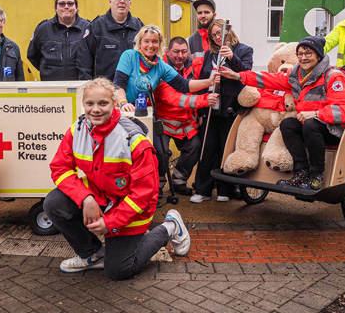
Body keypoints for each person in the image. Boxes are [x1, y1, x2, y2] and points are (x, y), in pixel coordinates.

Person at [43, 78, 191, 280]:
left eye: (103, 103)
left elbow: (144, 194)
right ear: (83, 104)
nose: (95, 110)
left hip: (132, 208)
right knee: (53, 203)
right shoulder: (76, 131)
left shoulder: (134, 140)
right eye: (90, 104)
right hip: (99, 197)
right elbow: (60, 168)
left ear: (114, 104)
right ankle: (92, 254)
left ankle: (170, 227)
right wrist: (86, 198)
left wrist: (110, 222)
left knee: (119, 271)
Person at [219, 36, 345, 191]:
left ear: (318, 55)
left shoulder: (334, 77)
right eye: (300, 54)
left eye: (308, 53)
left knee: (310, 125)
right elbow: (269, 79)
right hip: (310, 125)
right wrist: (239, 76)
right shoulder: (296, 76)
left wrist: (316, 113)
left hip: (333, 128)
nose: (303, 58)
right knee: (288, 124)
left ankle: (317, 173)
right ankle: (301, 170)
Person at [191, 18, 253, 203]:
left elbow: (247, 75)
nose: (218, 37)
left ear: (228, 31)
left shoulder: (244, 50)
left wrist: (233, 58)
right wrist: (201, 110)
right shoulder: (210, 54)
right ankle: (203, 189)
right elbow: (202, 81)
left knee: (226, 149)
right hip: (211, 108)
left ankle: (225, 189)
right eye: (214, 35)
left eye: (220, 33)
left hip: (231, 108)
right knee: (207, 148)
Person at [153, 37, 218, 195]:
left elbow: (198, 88)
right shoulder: (159, 68)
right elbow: (174, 98)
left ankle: (179, 181)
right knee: (160, 151)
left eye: (183, 52)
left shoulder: (193, 67)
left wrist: (199, 112)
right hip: (163, 119)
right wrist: (204, 102)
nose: (180, 55)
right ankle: (158, 184)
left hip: (184, 121)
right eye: (176, 51)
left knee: (195, 146)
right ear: (168, 52)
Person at [79, 0, 144, 80]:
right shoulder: (96, 27)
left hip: (133, 88)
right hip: (105, 89)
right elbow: (84, 61)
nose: (122, 1)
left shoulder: (139, 27)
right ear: (110, 2)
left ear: (130, 3)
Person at [26, 0, 89, 80]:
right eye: (62, 4)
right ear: (55, 8)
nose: (66, 7)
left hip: (80, 85)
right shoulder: (43, 29)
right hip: (52, 86)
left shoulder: (88, 28)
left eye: (70, 4)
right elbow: (32, 55)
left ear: (76, 7)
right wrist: (46, 71)